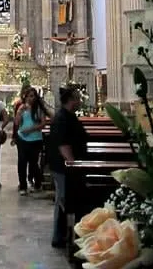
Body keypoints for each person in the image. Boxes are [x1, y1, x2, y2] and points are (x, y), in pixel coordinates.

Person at [48, 85, 87, 248]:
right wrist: (73, 164)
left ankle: (63, 234)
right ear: (71, 100)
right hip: (63, 167)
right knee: (63, 200)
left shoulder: (67, 116)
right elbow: (63, 144)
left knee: (65, 199)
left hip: (66, 166)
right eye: (78, 98)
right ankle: (58, 236)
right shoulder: (62, 118)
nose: (80, 101)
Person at [16, 87, 51, 195]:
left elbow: (43, 123)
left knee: (33, 163)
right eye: (30, 96)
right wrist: (19, 113)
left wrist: (30, 129)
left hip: (35, 139)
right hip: (22, 138)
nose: (32, 98)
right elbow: (17, 123)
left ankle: (37, 183)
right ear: (25, 97)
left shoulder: (38, 109)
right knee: (22, 162)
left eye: (34, 96)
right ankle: (23, 186)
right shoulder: (21, 107)